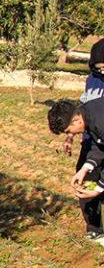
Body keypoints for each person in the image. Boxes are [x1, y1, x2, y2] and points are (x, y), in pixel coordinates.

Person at [47, 98, 104, 246]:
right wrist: (85, 168)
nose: (71, 134)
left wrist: (99, 188)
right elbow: (99, 146)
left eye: (68, 131)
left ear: (76, 120)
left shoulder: (99, 121)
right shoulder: (89, 114)